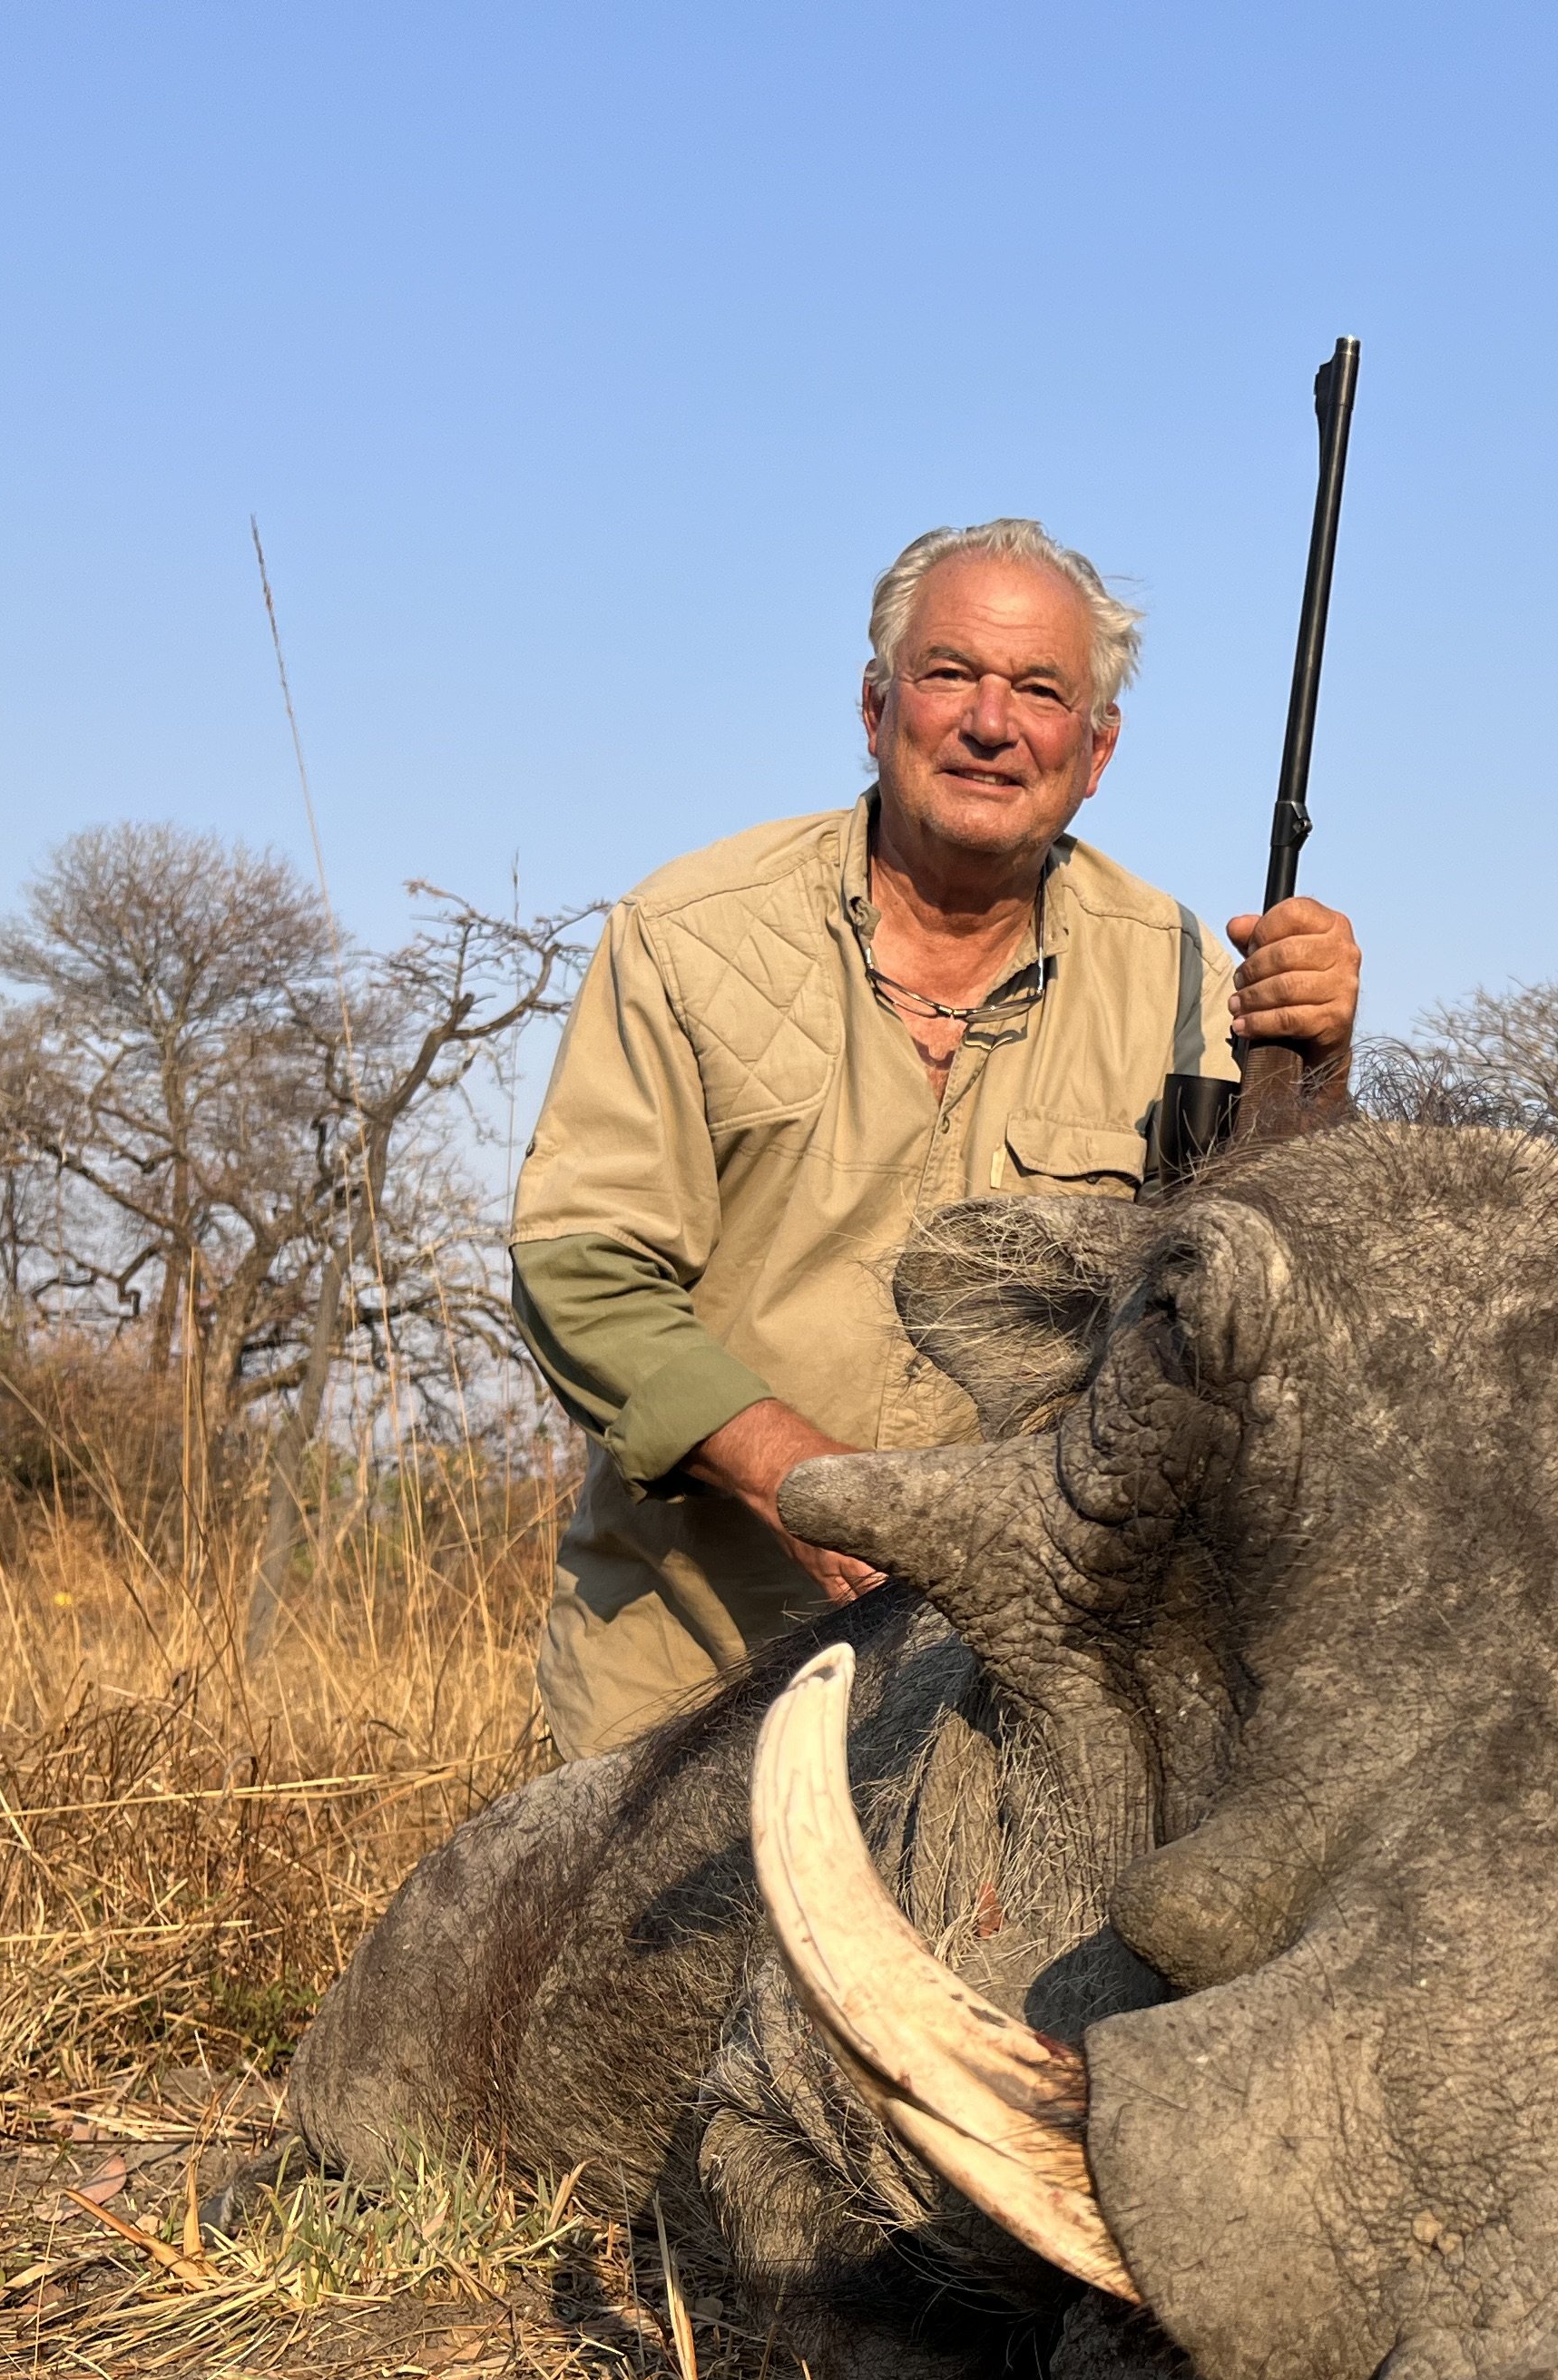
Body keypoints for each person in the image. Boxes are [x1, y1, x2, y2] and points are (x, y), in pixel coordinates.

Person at [508, 519, 1363, 1758]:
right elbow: (580, 1264)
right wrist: (805, 1482)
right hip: (680, 1682)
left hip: (1003, 1706)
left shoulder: (1185, 973)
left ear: (1098, 749)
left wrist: (1316, 1059)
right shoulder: (687, 931)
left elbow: (1253, 1293)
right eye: (949, 673)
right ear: (875, 707)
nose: (989, 723)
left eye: (1040, 691)